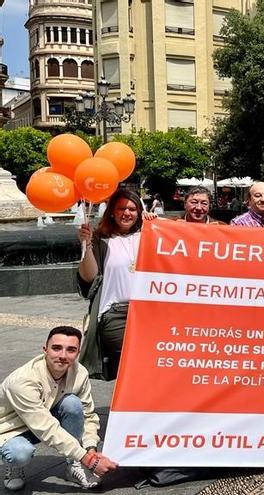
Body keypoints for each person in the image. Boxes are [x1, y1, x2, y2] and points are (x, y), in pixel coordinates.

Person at [0, 327, 118, 491]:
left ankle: (73, 465)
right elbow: (45, 427)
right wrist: (88, 460)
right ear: (45, 350)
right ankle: (14, 467)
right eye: (56, 348)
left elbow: (88, 414)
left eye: (71, 350)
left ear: (78, 354)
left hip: (45, 416)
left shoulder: (79, 372)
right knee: (19, 453)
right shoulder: (23, 381)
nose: (63, 356)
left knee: (72, 404)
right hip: (11, 428)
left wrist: (90, 448)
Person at [77, 189, 153, 381]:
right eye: (121, 208)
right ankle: (130, 408)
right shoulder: (100, 240)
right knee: (131, 364)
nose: (127, 213)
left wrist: (157, 223)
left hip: (148, 313)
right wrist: (86, 246)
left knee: (148, 365)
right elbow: (89, 278)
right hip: (116, 315)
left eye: (132, 209)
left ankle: (133, 408)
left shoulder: (150, 235)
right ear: (111, 211)